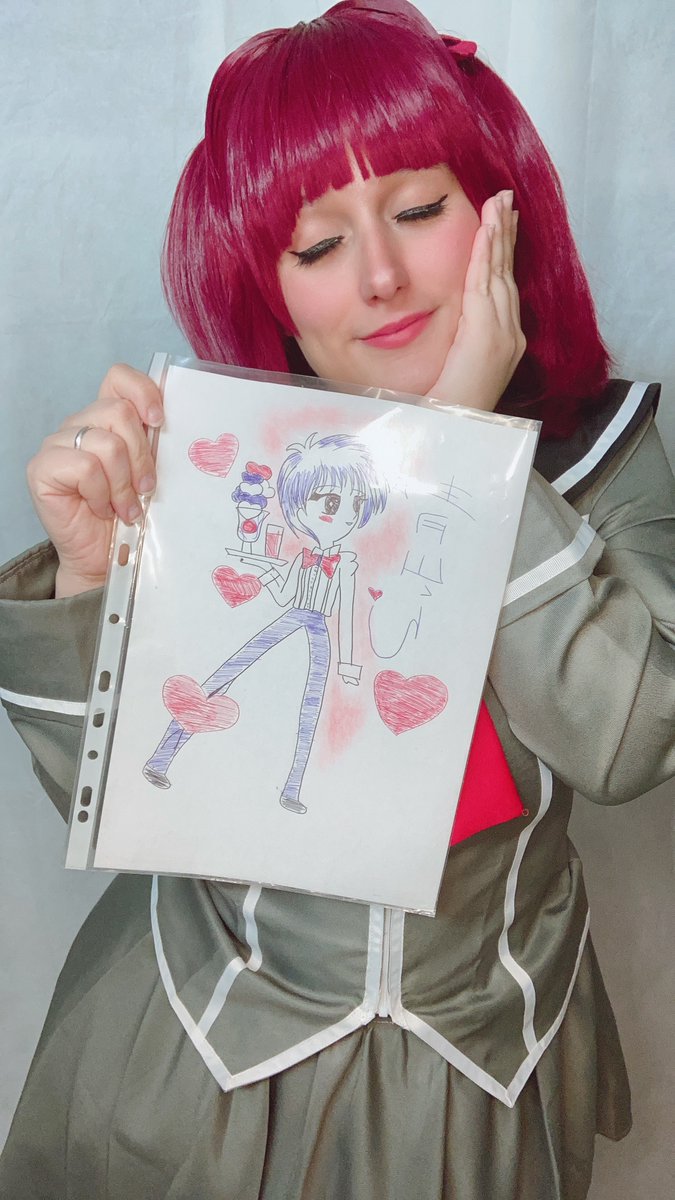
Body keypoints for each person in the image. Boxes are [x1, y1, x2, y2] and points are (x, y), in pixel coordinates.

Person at [0, 1, 673, 1197]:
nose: (380, 276)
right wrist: (94, 575)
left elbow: (630, 739)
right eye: (317, 247)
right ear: (268, 285)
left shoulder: (605, 455)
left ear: (499, 209)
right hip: (197, 1074)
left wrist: (459, 455)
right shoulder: (223, 460)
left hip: (482, 1076)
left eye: (418, 211)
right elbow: (126, 803)